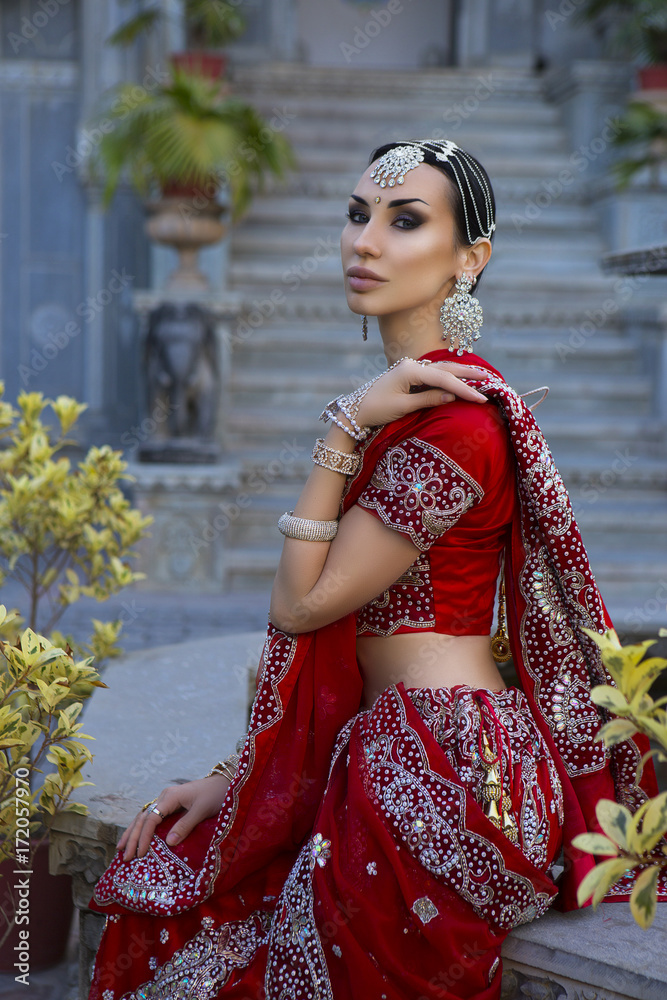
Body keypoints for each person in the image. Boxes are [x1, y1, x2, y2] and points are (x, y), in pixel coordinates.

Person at [87, 140, 659, 1000]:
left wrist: (343, 426)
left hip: (442, 764)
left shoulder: (454, 428)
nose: (364, 241)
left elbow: (304, 605)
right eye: (357, 215)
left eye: (403, 221)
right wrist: (238, 775)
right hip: (415, 742)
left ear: (471, 259)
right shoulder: (419, 404)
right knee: (178, 906)